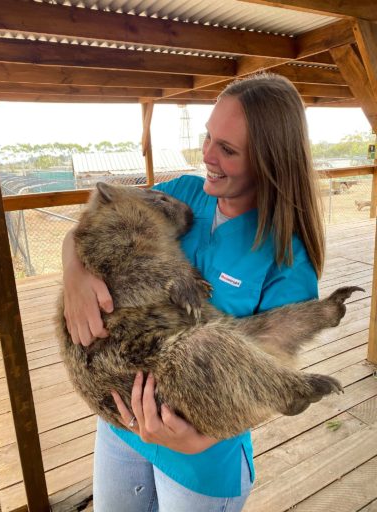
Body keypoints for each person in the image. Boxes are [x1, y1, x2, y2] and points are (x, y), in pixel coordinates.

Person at [62, 72, 325, 511]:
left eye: (227, 149)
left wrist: (198, 437)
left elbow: (267, 382)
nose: (207, 155)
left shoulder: (288, 262)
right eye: (208, 137)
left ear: (269, 161)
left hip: (198, 457)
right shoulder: (184, 193)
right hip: (121, 423)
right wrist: (75, 275)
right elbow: (94, 218)